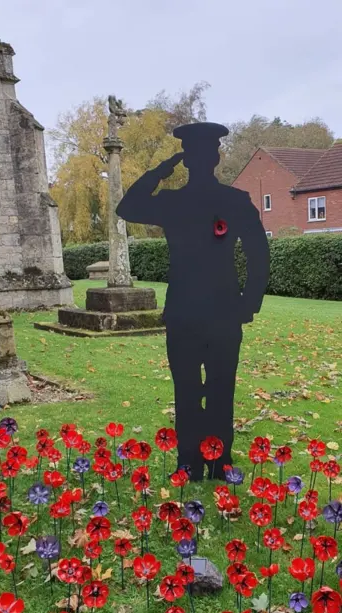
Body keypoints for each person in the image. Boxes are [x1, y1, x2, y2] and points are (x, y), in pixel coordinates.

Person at [117, 122, 270, 480]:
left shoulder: (186, 201)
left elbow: (128, 205)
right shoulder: (225, 200)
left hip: (197, 312)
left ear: (189, 160)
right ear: (216, 157)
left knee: (193, 390)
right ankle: (212, 462)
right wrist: (248, 303)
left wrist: (160, 170)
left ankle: (196, 463)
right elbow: (259, 254)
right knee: (214, 389)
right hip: (211, 312)